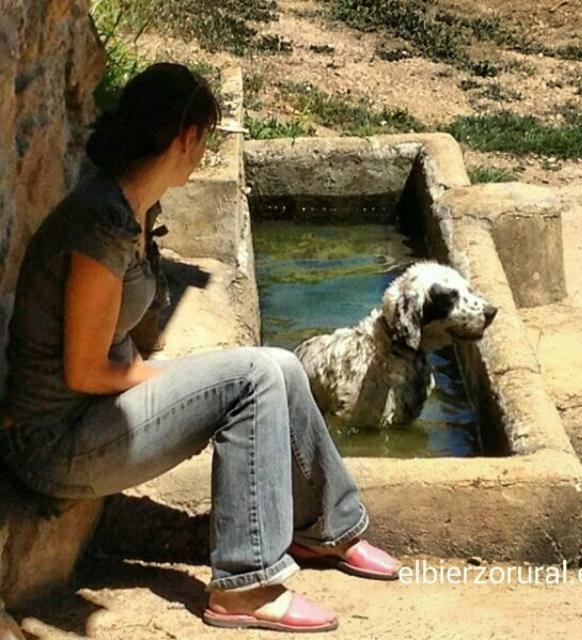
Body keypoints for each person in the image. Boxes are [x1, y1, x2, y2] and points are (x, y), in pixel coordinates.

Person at [0, 62, 401, 633]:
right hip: (55, 444)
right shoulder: (100, 228)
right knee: (254, 375)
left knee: (281, 366)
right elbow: (86, 370)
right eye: (205, 139)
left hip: (89, 420)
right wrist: (165, 377)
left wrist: (164, 372)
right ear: (186, 136)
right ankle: (245, 586)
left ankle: (328, 531)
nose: (204, 153)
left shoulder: (133, 209)